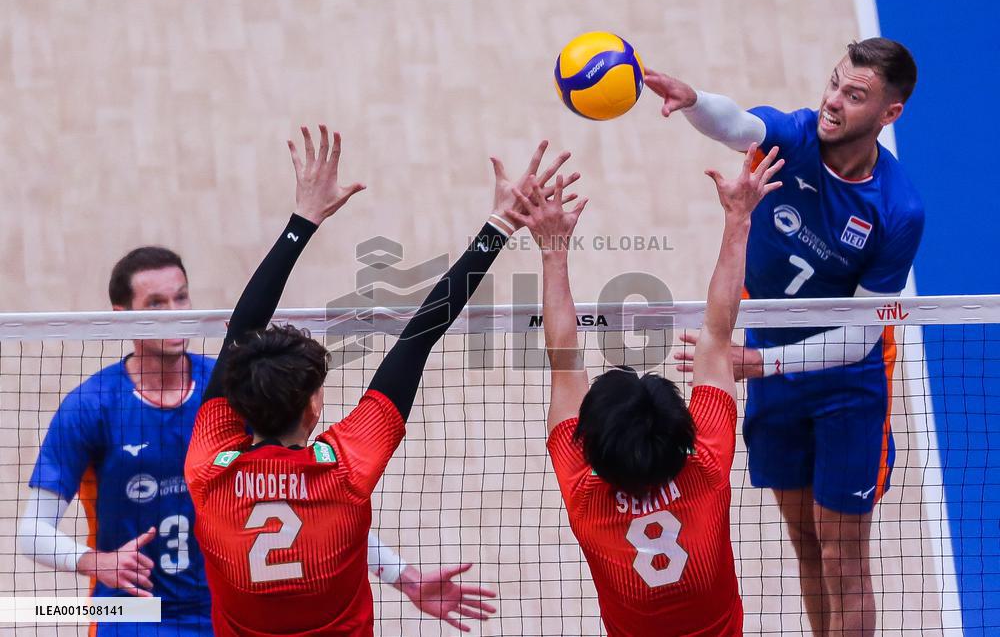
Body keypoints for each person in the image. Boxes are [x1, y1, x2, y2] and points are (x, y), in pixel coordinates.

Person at [184, 126, 580, 635]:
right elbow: (418, 338)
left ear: (237, 401)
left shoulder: (208, 472)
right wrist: (499, 224)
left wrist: (301, 221)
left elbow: (241, 333)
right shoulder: (347, 470)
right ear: (312, 407)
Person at [18, 246, 495, 635]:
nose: (175, 314)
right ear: (121, 316)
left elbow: (310, 515)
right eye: (156, 304)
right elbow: (30, 531)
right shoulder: (91, 407)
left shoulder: (226, 397)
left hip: (226, 609)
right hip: (135, 616)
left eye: (181, 298)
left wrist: (401, 574)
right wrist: (90, 560)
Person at [645, 37, 923, 635]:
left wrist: (761, 364)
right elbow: (738, 123)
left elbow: (860, 340)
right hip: (769, 367)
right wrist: (692, 100)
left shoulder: (897, 210)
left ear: (889, 113)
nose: (832, 102)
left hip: (846, 385)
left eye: (855, 96)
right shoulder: (794, 138)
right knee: (804, 543)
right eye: (834, 83)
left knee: (843, 558)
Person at [509, 145, 784, 636]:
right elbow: (717, 336)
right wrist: (738, 219)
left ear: (588, 445)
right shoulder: (706, 470)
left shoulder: (585, 498)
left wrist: (552, 249)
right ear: (683, 435)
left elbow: (564, 362)